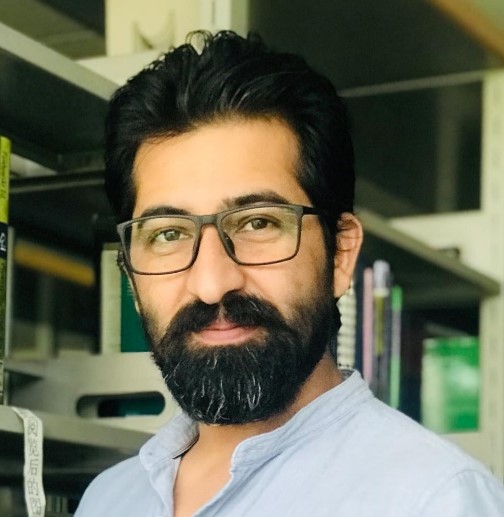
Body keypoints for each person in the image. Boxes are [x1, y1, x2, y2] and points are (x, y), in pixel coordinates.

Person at [75, 31, 504, 516]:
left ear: (340, 255)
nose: (212, 283)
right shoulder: (108, 500)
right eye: (169, 233)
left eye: (258, 223)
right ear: (130, 276)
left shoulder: (435, 500)